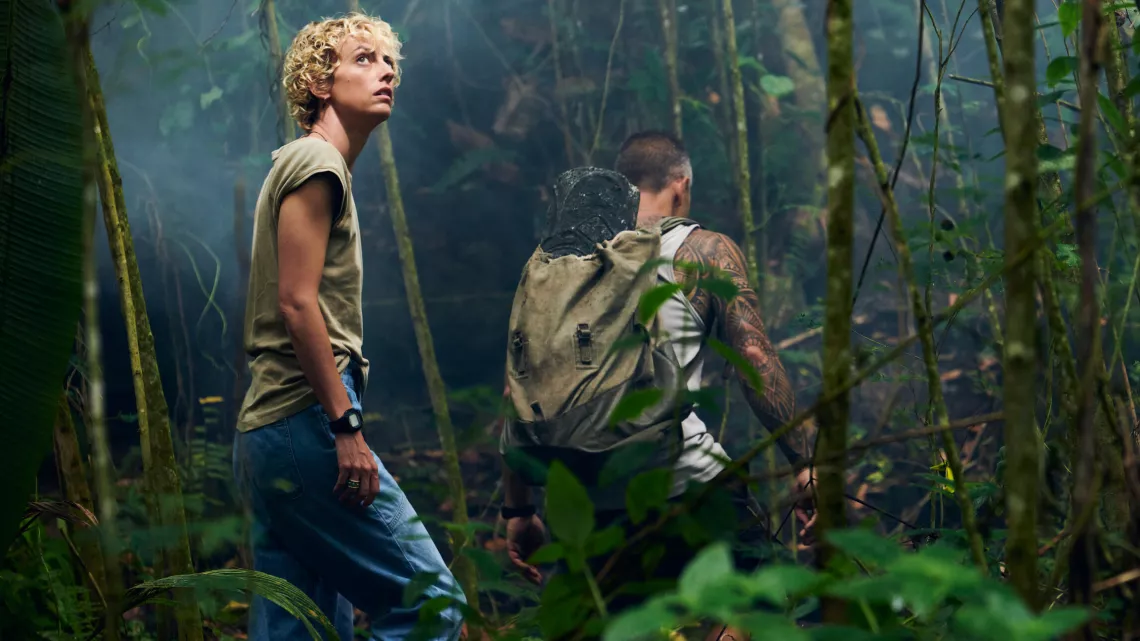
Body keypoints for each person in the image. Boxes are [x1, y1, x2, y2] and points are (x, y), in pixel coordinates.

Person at [500, 132, 816, 636]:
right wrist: (804, 463)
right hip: (685, 483)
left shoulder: (563, 262)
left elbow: (517, 391)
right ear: (681, 185)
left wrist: (517, 508)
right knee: (758, 609)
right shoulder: (704, 250)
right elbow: (754, 358)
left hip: (587, 500)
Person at [232, 13, 465, 641]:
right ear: (319, 82)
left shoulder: (311, 163)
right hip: (303, 419)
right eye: (364, 58)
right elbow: (296, 303)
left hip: (269, 430)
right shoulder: (317, 161)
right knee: (433, 605)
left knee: (301, 628)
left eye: (388, 61)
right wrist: (345, 426)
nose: (385, 71)